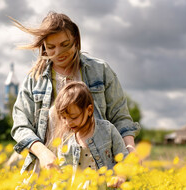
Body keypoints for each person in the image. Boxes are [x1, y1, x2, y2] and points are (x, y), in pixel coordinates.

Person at [10, 11, 140, 175]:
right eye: (51, 47)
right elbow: (21, 126)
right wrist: (43, 153)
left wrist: (129, 149)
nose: (58, 52)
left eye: (65, 44)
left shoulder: (100, 71)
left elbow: (120, 117)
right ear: (43, 47)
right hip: (49, 169)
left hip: (97, 168)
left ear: (76, 40)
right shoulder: (34, 79)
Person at [36, 82, 128, 190]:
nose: (68, 123)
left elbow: (124, 157)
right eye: (64, 118)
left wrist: (120, 176)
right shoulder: (65, 143)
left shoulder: (108, 130)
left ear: (89, 110)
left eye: (73, 117)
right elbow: (62, 180)